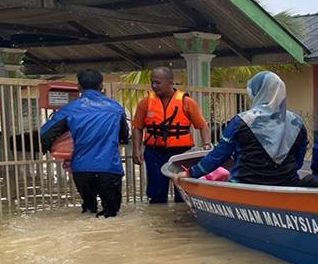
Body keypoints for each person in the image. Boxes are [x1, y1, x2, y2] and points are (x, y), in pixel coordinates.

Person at [180, 71, 308, 185]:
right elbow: (299, 161)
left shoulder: (241, 121)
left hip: (244, 183)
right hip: (288, 183)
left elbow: (219, 155)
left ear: (256, 93)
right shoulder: (297, 122)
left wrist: (191, 173)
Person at [40, 69, 130, 218]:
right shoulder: (116, 108)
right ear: (101, 86)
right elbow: (124, 135)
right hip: (109, 168)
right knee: (112, 214)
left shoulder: (70, 109)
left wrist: (50, 148)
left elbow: (46, 133)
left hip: (82, 169)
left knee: (88, 211)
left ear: (79, 87)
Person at [131, 67, 212, 203]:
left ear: (170, 82)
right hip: (154, 151)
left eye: (158, 82)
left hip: (181, 152)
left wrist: (207, 144)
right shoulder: (145, 103)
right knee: (156, 192)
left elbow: (202, 125)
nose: (154, 86)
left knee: (183, 191)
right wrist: (136, 149)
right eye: (152, 82)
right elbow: (137, 127)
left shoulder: (187, 102)